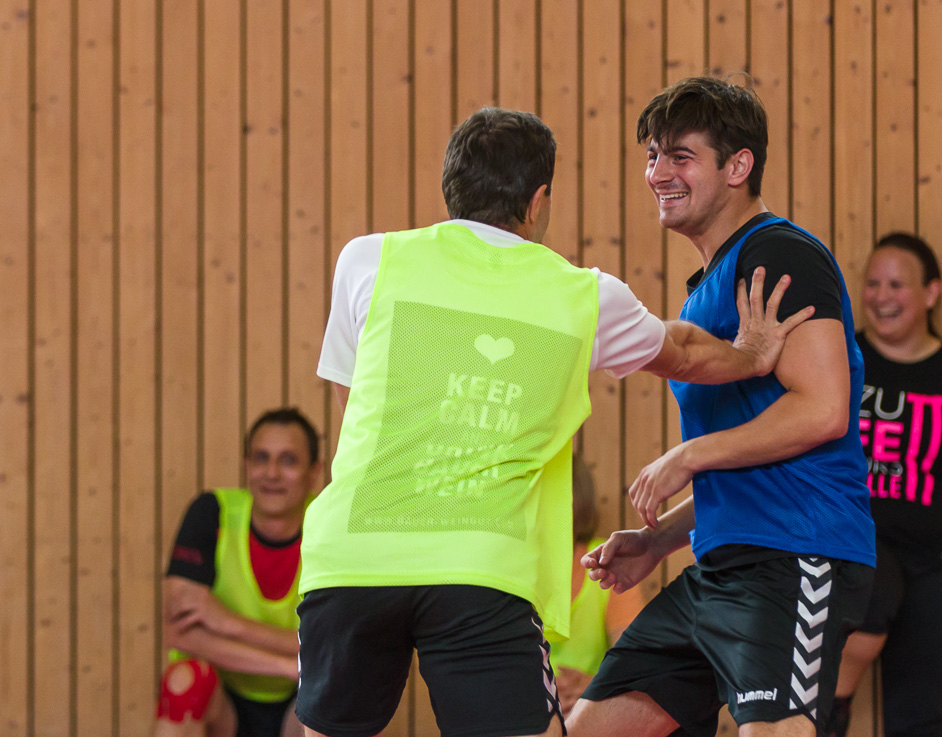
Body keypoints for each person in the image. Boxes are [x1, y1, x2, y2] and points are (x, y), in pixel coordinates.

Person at [295, 106, 813, 737]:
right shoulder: (585, 294)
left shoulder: (367, 259)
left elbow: (354, 403)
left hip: (352, 555)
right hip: (482, 566)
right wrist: (750, 356)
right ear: (538, 200)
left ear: (451, 187)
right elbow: (681, 350)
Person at [568, 76, 876, 737]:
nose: (658, 173)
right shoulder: (709, 283)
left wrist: (688, 455)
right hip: (720, 569)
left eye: (680, 156)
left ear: (738, 166)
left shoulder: (777, 255)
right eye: (653, 155)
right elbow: (749, 461)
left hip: (795, 554)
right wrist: (658, 539)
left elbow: (823, 410)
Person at [825, 233, 942, 737]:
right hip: (853, 552)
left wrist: (933, 513)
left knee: (920, 721)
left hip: (939, 564)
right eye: (872, 284)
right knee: (822, 700)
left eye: (896, 285)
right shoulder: (837, 361)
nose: (881, 296)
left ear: (931, 293)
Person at [157, 408, 322, 737]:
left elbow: (338, 648)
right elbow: (180, 634)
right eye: (261, 458)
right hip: (226, 706)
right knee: (184, 680)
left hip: (299, 707)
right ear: (247, 465)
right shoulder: (212, 513)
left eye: (288, 460)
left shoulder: (328, 526)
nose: (271, 473)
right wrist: (288, 665)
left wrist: (227, 623)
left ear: (314, 472)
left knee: (346, 689)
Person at [550, 456, 645, 717]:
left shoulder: (608, 562)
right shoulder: (512, 566)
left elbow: (634, 662)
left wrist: (595, 687)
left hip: (591, 709)